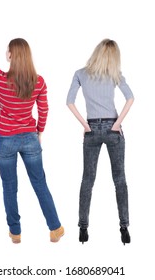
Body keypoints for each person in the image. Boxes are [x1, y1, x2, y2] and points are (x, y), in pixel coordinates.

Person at [0, 17, 64, 244]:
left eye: (7, 50)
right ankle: (55, 229)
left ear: (10, 55)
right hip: (30, 139)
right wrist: (40, 132)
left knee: (9, 186)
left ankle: (15, 233)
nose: (5, 53)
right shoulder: (39, 82)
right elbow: (44, 109)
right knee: (40, 183)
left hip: (5, 139)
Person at [66, 39, 134, 245]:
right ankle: (124, 228)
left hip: (92, 128)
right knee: (119, 180)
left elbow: (69, 102)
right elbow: (130, 98)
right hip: (113, 129)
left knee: (87, 180)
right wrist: (118, 124)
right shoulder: (115, 75)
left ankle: (83, 229)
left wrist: (85, 126)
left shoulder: (80, 73)